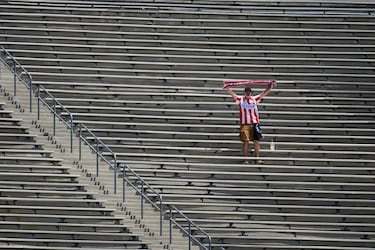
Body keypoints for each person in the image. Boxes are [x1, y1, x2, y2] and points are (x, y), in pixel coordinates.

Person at [225, 82, 275, 164]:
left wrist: (269, 87)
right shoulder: (240, 100)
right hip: (245, 124)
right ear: (244, 92)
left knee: (256, 141)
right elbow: (232, 94)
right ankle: (246, 159)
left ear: (251, 93)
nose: (248, 93)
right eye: (246, 92)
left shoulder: (254, 99)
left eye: (249, 92)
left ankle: (257, 158)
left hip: (254, 123)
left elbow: (263, 94)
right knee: (246, 141)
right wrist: (227, 87)